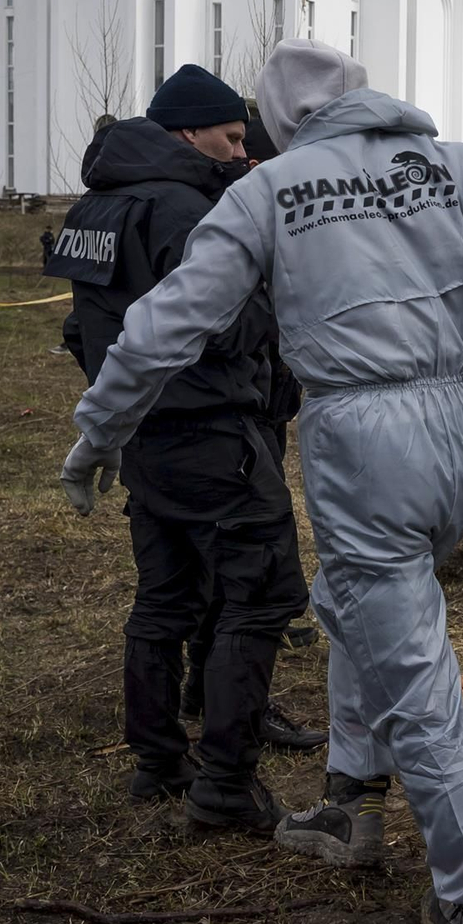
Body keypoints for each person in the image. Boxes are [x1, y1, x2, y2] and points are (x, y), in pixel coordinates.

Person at [58, 39, 463, 924]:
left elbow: (164, 326)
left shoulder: (268, 190)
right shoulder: (444, 161)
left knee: (412, 662)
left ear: (277, 118)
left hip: (362, 436)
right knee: (356, 602)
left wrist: (97, 437)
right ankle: (350, 794)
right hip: (459, 434)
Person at [48, 64, 309, 829]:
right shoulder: (186, 210)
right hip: (211, 429)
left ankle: (158, 759)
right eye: (231, 137)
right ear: (188, 131)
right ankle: (227, 776)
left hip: (142, 434)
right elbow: (222, 324)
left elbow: (80, 329)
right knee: (259, 594)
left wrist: (119, 402)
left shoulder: (96, 206)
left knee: (166, 596)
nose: (239, 153)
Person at [180, 111, 325, 752]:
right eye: (242, 150)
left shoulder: (247, 208)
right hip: (233, 413)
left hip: (256, 406)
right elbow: (230, 325)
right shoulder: (229, 217)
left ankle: (202, 693)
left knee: (220, 570)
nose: (250, 162)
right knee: (256, 578)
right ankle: (232, 732)